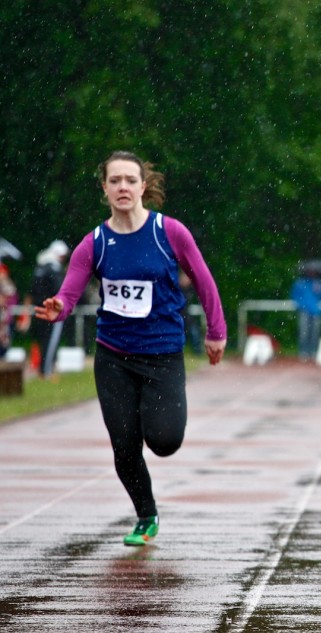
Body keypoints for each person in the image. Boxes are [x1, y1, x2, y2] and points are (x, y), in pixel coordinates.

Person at [34, 150, 227, 546]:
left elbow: (204, 281)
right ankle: (145, 515)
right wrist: (58, 308)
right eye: (115, 180)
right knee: (124, 446)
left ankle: (150, 425)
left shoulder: (169, 232)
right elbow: (68, 293)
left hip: (163, 353)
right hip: (113, 356)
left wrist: (216, 331)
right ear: (105, 189)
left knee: (165, 441)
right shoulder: (94, 244)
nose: (123, 187)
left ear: (143, 186)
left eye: (130, 180)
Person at [19, 240, 70, 377]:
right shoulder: (54, 268)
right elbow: (61, 291)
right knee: (50, 340)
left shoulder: (39, 267)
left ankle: (41, 368)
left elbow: (30, 291)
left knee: (41, 339)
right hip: (51, 310)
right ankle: (46, 371)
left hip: (38, 310)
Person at [290, 265, 321, 361]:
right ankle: (303, 352)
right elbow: (295, 296)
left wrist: (319, 289)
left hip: (316, 311)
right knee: (304, 333)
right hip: (304, 311)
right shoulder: (300, 283)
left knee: (315, 333)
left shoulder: (318, 283)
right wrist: (301, 305)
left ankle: (313, 352)